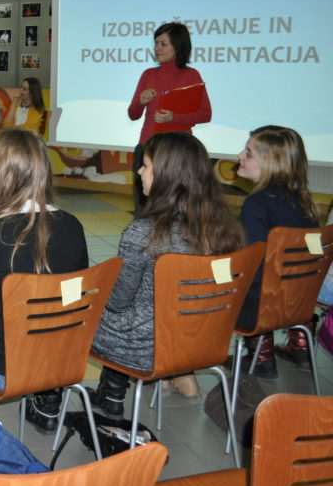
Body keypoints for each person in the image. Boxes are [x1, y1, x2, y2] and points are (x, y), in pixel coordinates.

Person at [90, 132, 244, 414]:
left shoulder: (143, 233)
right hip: (205, 341)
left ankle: (111, 394)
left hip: (146, 348)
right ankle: (131, 388)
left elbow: (117, 302)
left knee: (86, 310)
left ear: (166, 175)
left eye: (145, 165)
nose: (138, 171)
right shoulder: (225, 228)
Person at [0, 129, 89, 448]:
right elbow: (74, 297)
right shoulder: (72, 226)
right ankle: (46, 400)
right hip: (63, 363)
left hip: (3, 370)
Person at [233, 125, 320, 376]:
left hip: (264, 310)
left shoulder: (256, 205)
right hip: (300, 303)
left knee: (232, 280)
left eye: (248, 153)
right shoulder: (305, 202)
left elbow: (254, 268)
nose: (239, 155)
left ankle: (261, 356)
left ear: (271, 163)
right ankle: (300, 346)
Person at [127, 22, 212, 215]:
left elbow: (206, 114)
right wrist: (140, 101)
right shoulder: (148, 74)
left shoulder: (191, 75)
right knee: (143, 209)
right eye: (156, 43)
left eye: (163, 44)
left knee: (178, 208)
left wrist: (175, 117)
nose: (157, 48)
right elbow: (133, 115)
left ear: (179, 46)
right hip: (147, 148)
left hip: (177, 153)